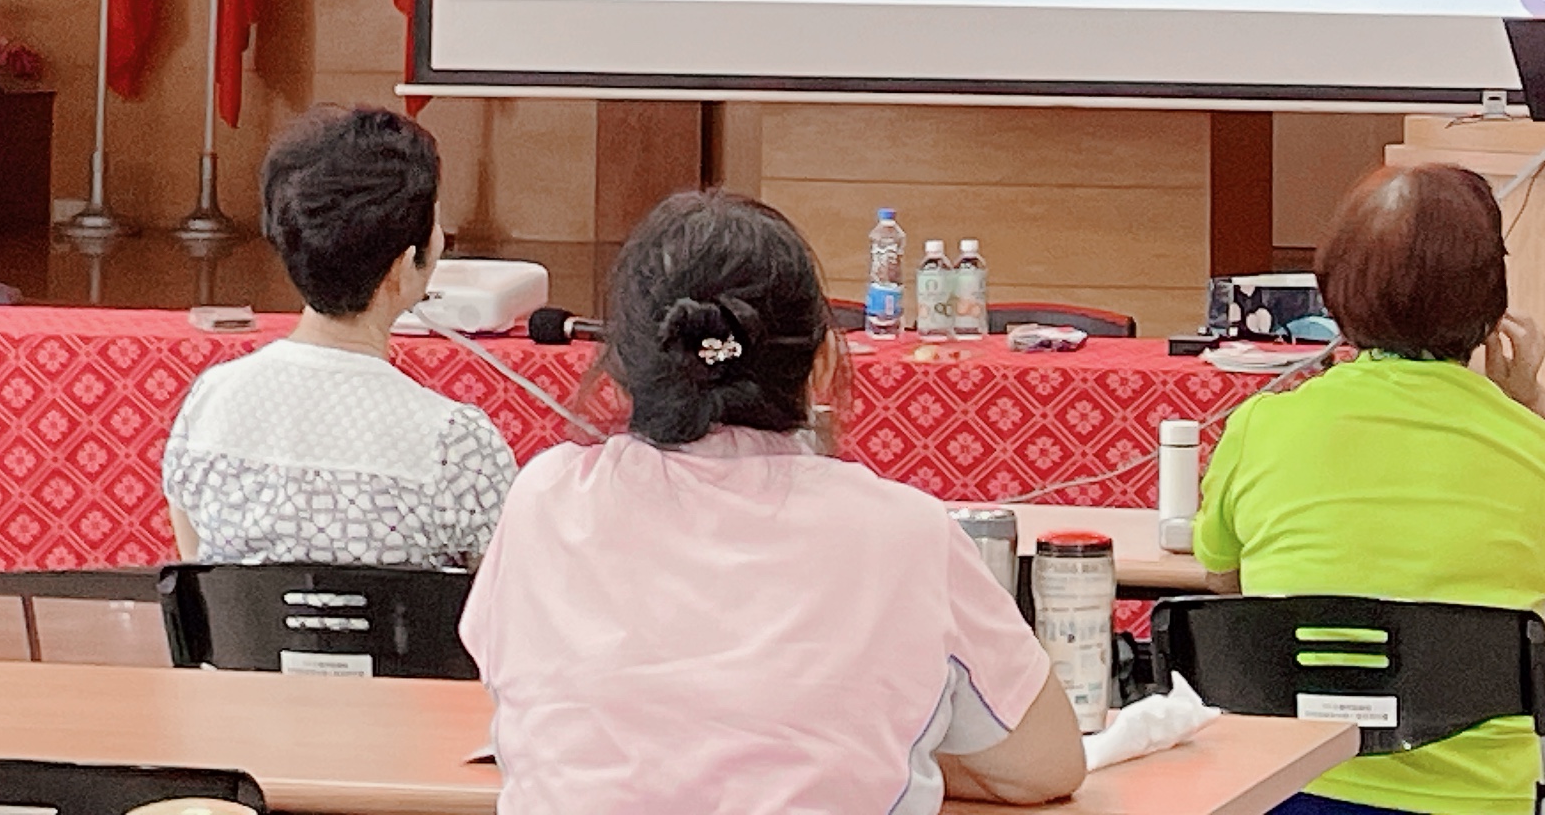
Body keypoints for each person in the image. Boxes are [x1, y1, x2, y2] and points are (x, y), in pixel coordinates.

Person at [463, 189, 1084, 815]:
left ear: (621, 365)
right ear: (822, 365)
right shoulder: (907, 531)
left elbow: (525, 706)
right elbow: (1044, 765)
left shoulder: (545, 499)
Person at [1195, 163, 1545, 815]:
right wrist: (1533, 403)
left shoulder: (1262, 425)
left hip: (1296, 790)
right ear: (1491, 307)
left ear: (1334, 292)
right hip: (1485, 803)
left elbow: (1222, 577)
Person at [162, 105, 515, 567]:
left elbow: (200, 576)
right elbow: (505, 596)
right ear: (403, 266)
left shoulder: (212, 403)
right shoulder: (458, 444)